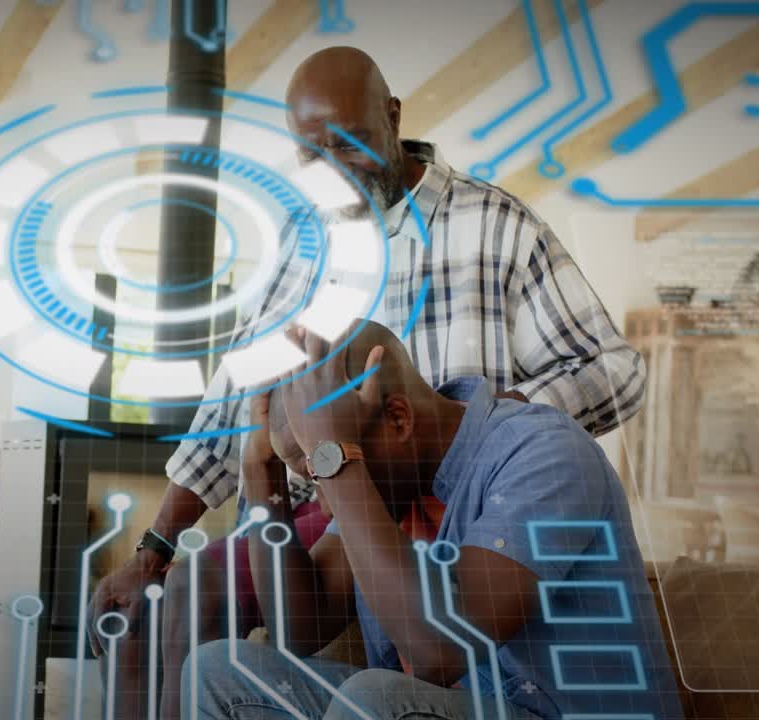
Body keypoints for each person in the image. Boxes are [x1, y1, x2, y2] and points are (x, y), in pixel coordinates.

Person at [88, 46, 646, 719]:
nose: (332, 172)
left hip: (433, 479)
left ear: (392, 116)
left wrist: (503, 424)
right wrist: (157, 546)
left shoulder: (495, 227)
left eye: (348, 144)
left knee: (373, 689)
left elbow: (614, 372)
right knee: (173, 623)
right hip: (345, 490)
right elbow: (228, 414)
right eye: (312, 154)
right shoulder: (300, 245)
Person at [187, 319, 682, 720]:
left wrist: (337, 458)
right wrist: (259, 469)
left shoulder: (544, 454)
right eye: (313, 475)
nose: (328, 501)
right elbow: (298, 629)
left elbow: (439, 652)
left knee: (378, 700)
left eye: (323, 469)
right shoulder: (387, 476)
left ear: (398, 419)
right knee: (216, 672)